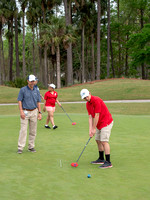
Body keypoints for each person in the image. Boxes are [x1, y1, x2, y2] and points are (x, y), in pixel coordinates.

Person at [80, 89, 113, 168]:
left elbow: (97, 115)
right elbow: (90, 117)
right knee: (97, 140)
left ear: (90, 93)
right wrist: (90, 130)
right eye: (84, 98)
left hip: (106, 122)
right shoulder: (88, 104)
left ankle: (108, 162)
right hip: (98, 123)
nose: (86, 98)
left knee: (104, 141)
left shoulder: (96, 100)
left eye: (87, 96)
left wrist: (94, 128)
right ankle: (101, 158)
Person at [17, 74, 42, 154]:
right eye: (31, 81)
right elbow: (19, 100)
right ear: (28, 81)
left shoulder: (36, 90)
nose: (32, 82)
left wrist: (39, 112)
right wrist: (21, 111)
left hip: (34, 111)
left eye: (33, 81)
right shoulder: (23, 90)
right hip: (25, 111)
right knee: (23, 130)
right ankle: (20, 147)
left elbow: (38, 102)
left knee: (33, 131)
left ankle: (31, 146)